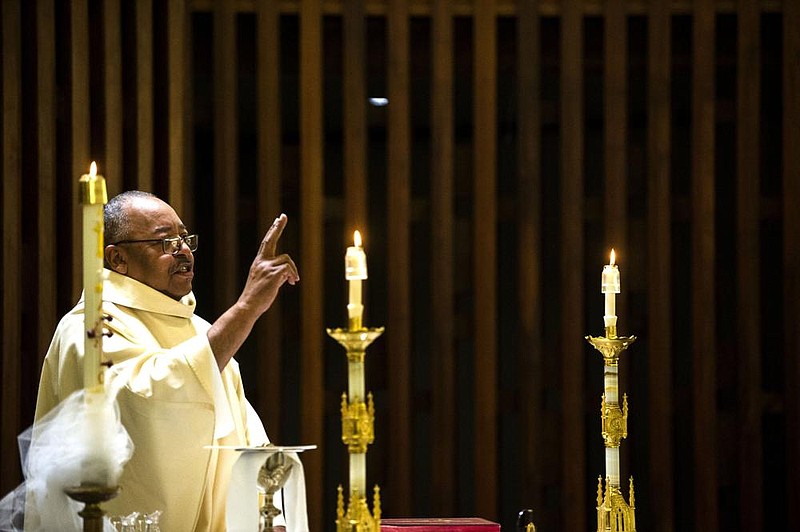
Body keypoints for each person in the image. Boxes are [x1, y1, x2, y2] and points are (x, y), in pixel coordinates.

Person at [33, 190, 305, 531]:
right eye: (165, 242)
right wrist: (246, 308)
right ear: (118, 260)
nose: (184, 251)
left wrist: (269, 513)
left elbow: (247, 438)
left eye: (185, 238)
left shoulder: (200, 331)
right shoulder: (90, 327)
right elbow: (144, 406)